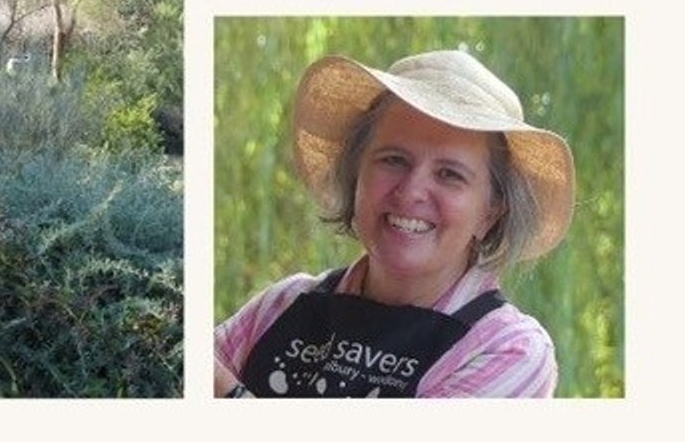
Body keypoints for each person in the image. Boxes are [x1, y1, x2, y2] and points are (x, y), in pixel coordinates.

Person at [214, 49, 574, 398]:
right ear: (356, 175)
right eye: (393, 160)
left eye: (450, 174)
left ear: (491, 212)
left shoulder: (509, 349)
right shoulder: (286, 303)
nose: (411, 191)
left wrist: (225, 392)